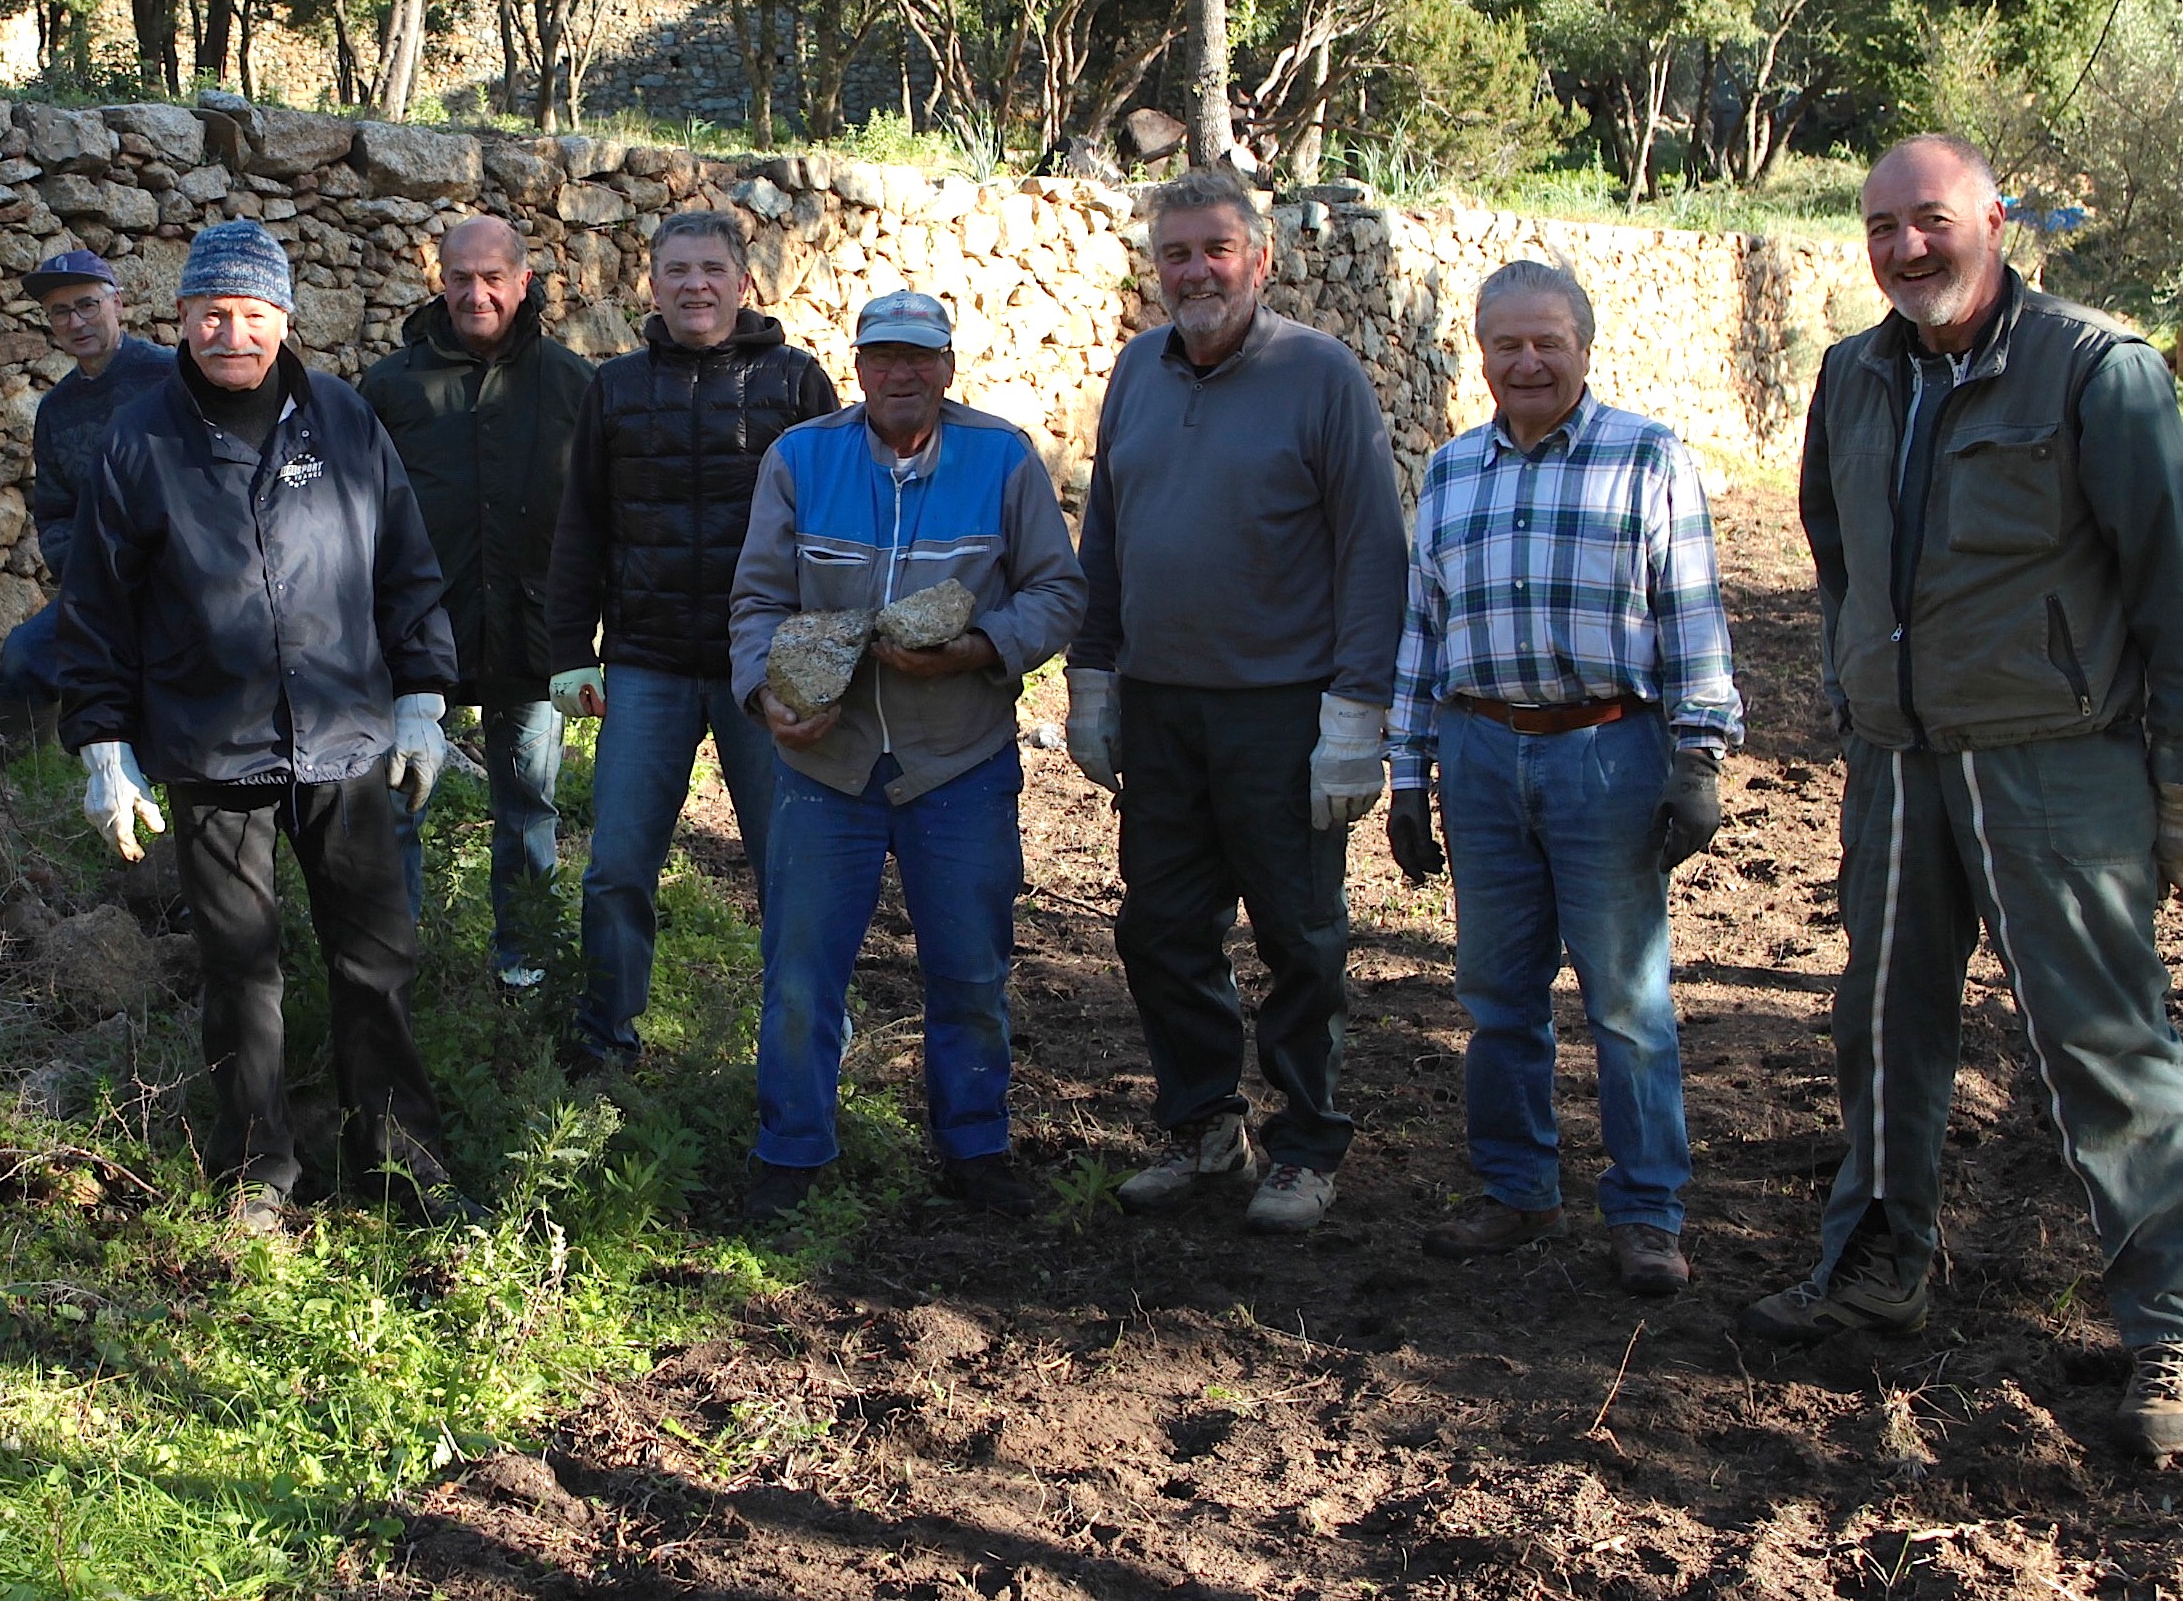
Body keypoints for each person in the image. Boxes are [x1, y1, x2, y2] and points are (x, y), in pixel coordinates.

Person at [1747, 132, 2183, 1458]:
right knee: (1881, 1023)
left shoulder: (2095, 371)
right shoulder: (1852, 375)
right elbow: (1835, 548)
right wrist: (1858, 683)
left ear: (1994, 220)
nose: (1905, 247)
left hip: (2055, 763)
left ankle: (2182, 1317)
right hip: (1898, 765)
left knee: (2102, 1044)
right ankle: (1876, 1264)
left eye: (1930, 218)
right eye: (1880, 227)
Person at [54, 218, 469, 1235]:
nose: (230, 333)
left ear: (284, 318)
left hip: (345, 735)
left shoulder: (342, 418)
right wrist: (103, 744)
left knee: (376, 956)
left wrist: (422, 693)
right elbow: (96, 605)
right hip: (213, 744)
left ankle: (400, 1158)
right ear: (180, 316)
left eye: (250, 313)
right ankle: (256, 1169)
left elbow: (405, 561)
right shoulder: (139, 439)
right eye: (211, 313)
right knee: (239, 966)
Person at [1062, 167, 1407, 1236]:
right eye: (1175, 253)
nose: (1196, 271)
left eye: (1216, 249)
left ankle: (1308, 1144)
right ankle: (1205, 1124)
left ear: (1260, 258)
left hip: (1282, 711)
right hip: (1162, 708)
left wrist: (1355, 715)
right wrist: (1092, 674)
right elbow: (1106, 532)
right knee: (1159, 928)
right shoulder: (1138, 369)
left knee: (1299, 937)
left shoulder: (1320, 375)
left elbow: (1371, 550)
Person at [1384, 260, 1738, 1297]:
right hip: (1481, 754)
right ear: (1480, 354)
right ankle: (1516, 1187)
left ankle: (1646, 1211)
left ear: (1585, 346)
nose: (1528, 361)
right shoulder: (1452, 470)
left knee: (1626, 1001)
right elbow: (1422, 628)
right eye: (1507, 344)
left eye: (1548, 341)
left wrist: (1698, 756)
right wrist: (1408, 772)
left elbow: (1690, 615)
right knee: (1497, 992)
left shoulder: (1647, 456)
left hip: (1607, 752)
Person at [727, 291, 1085, 1221]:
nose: (900, 374)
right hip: (827, 763)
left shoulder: (1002, 457)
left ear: (947, 368)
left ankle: (975, 1146)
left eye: (918, 358)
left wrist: (980, 646)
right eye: (882, 357)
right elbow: (757, 599)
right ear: (856, 367)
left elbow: (1056, 591)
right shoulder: (799, 458)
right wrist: (764, 692)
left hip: (957, 758)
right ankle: (790, 1152)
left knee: (969, 966)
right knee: (800, 969)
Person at [542, 210, 839, 1073]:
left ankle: (806, 1040)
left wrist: (823, 662)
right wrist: (569, 650)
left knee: (789, 867)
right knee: (616, 864)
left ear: (744, 282)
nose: (694, 285)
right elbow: (580, 527)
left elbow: (836, 531)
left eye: (711, 269)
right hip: (648, 665)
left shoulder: (796, 383)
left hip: (768, 670)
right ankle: (605, 1035)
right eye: (676, 270)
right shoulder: (615, 387)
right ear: (653, 285)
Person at [357, 215, 595, 985]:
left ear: (524, 281)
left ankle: (527, 966)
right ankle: (391, 967)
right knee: (398, 803)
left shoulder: (571, 383)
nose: (475, 293)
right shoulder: (390, 387)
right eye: (459, 277)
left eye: (492, 277)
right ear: (440, 280)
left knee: (528, 806)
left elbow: (601, 512)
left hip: (529, 633)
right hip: (414, 637)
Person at [0, 249, 175, 749]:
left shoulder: (171, 379)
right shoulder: (56, 409)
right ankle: (33, 781)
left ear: (118, 303)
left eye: (87, 305)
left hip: (183, 581)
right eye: (60, 312)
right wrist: (91, 576)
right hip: (101, 587)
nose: (75, 322)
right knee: (23, 656)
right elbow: (54, 512)